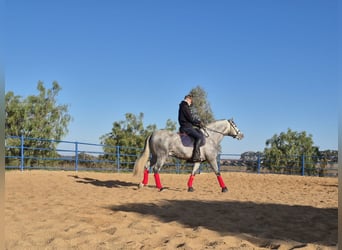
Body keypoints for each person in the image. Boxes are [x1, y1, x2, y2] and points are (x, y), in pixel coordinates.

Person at [178, 94, 203, 162]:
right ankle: (195, 156)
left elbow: (189, 119)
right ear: (188, 99)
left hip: (185, 126)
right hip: (186, 127)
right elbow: (190, 119)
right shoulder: (185, 106)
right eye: (191, 101)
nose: (191, 103)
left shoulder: (183, 106)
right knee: (199, 137)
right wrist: (198, 122)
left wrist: (197, 125)